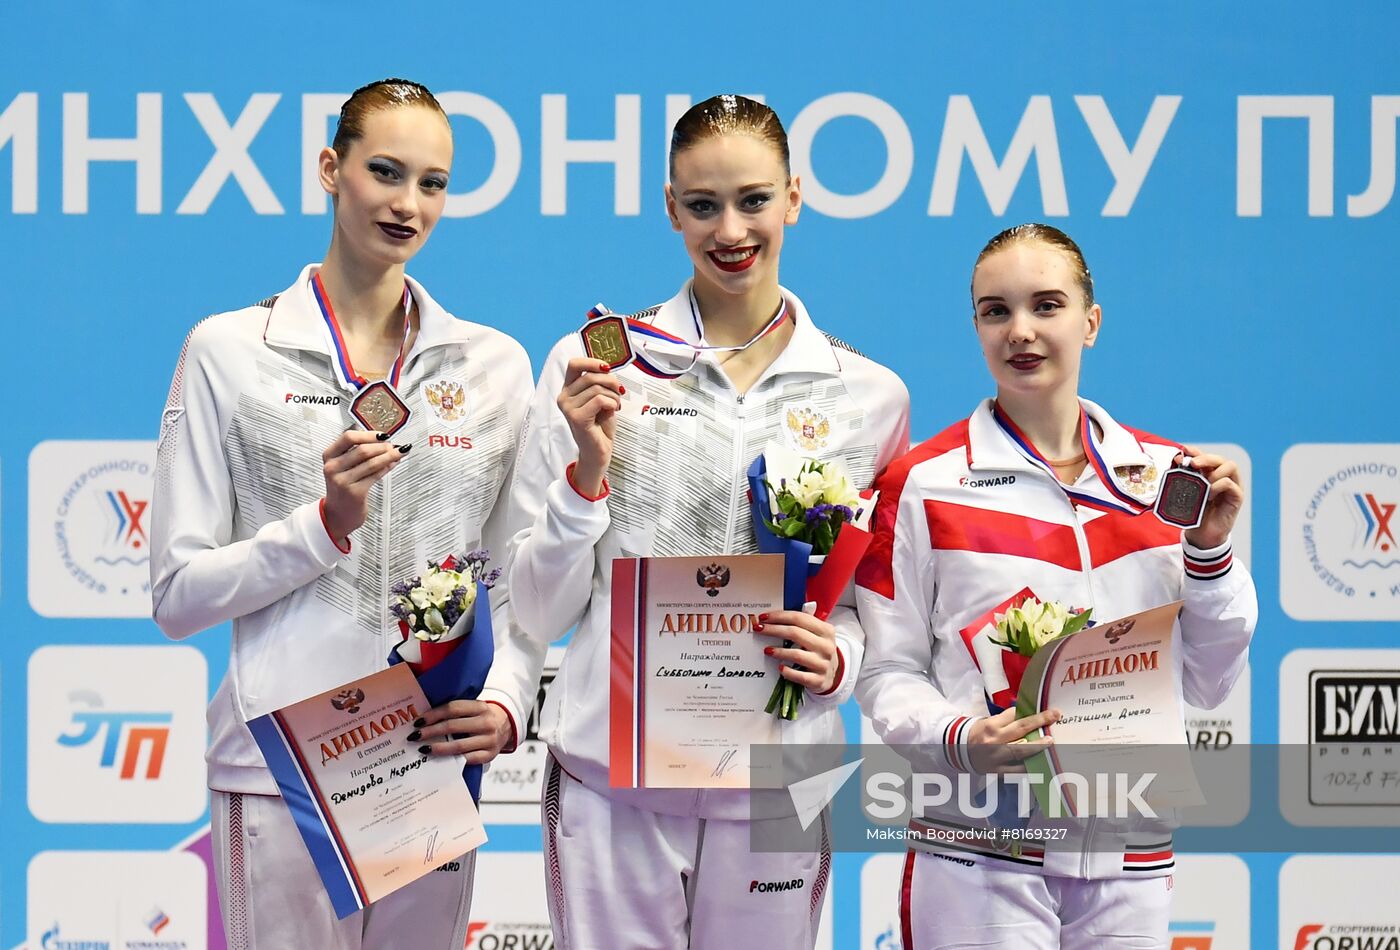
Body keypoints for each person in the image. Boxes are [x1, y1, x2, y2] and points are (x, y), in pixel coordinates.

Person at [502, 95, 910, 948]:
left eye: (754, 200)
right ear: (669, 208)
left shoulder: (868, 395)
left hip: (776, 776)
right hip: (616, 777)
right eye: (703, 205)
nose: (731, 229)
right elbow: (536, 611)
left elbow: (875, 610)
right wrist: (586, 474)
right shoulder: (596, 367)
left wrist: (837, 661)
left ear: (795, 197)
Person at [150, 78, 543, 949]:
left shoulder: (495, 367)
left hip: (426, 761)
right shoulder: (229, 350)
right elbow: (178, 594)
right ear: (332, 169)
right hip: (279, 767)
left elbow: (519, 583)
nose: (409, 204)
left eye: (432, 183)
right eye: (386, 172)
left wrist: (510, 702)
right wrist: (321, 528)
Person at [854, 223, 1256, 950]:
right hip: (980, 850)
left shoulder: (1166, 481)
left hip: (1127, 853)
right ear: (975, 324)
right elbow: (887, 669)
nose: (1021, 331)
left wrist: (1211, 553)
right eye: (995, 311)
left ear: (1090, 322)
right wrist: (959, 738)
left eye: (1047, 306)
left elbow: (1209, 678)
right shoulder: (923, 484)